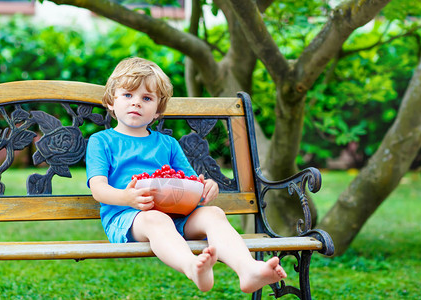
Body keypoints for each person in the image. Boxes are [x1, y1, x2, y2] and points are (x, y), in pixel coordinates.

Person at [86, 57, 287, 293]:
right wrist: (127, 198)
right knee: (156, 219)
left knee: (214, 213)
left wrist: (205, 189)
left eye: (147, 98)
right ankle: (192, 267)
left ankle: (248, 270)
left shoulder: (167, 144)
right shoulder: (102, 141)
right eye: (128, 95)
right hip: (129, 217)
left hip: (176, 214)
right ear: (111, 101)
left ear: (158, 110)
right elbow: (98, 189)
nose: (136, 103)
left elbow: (189, 183)